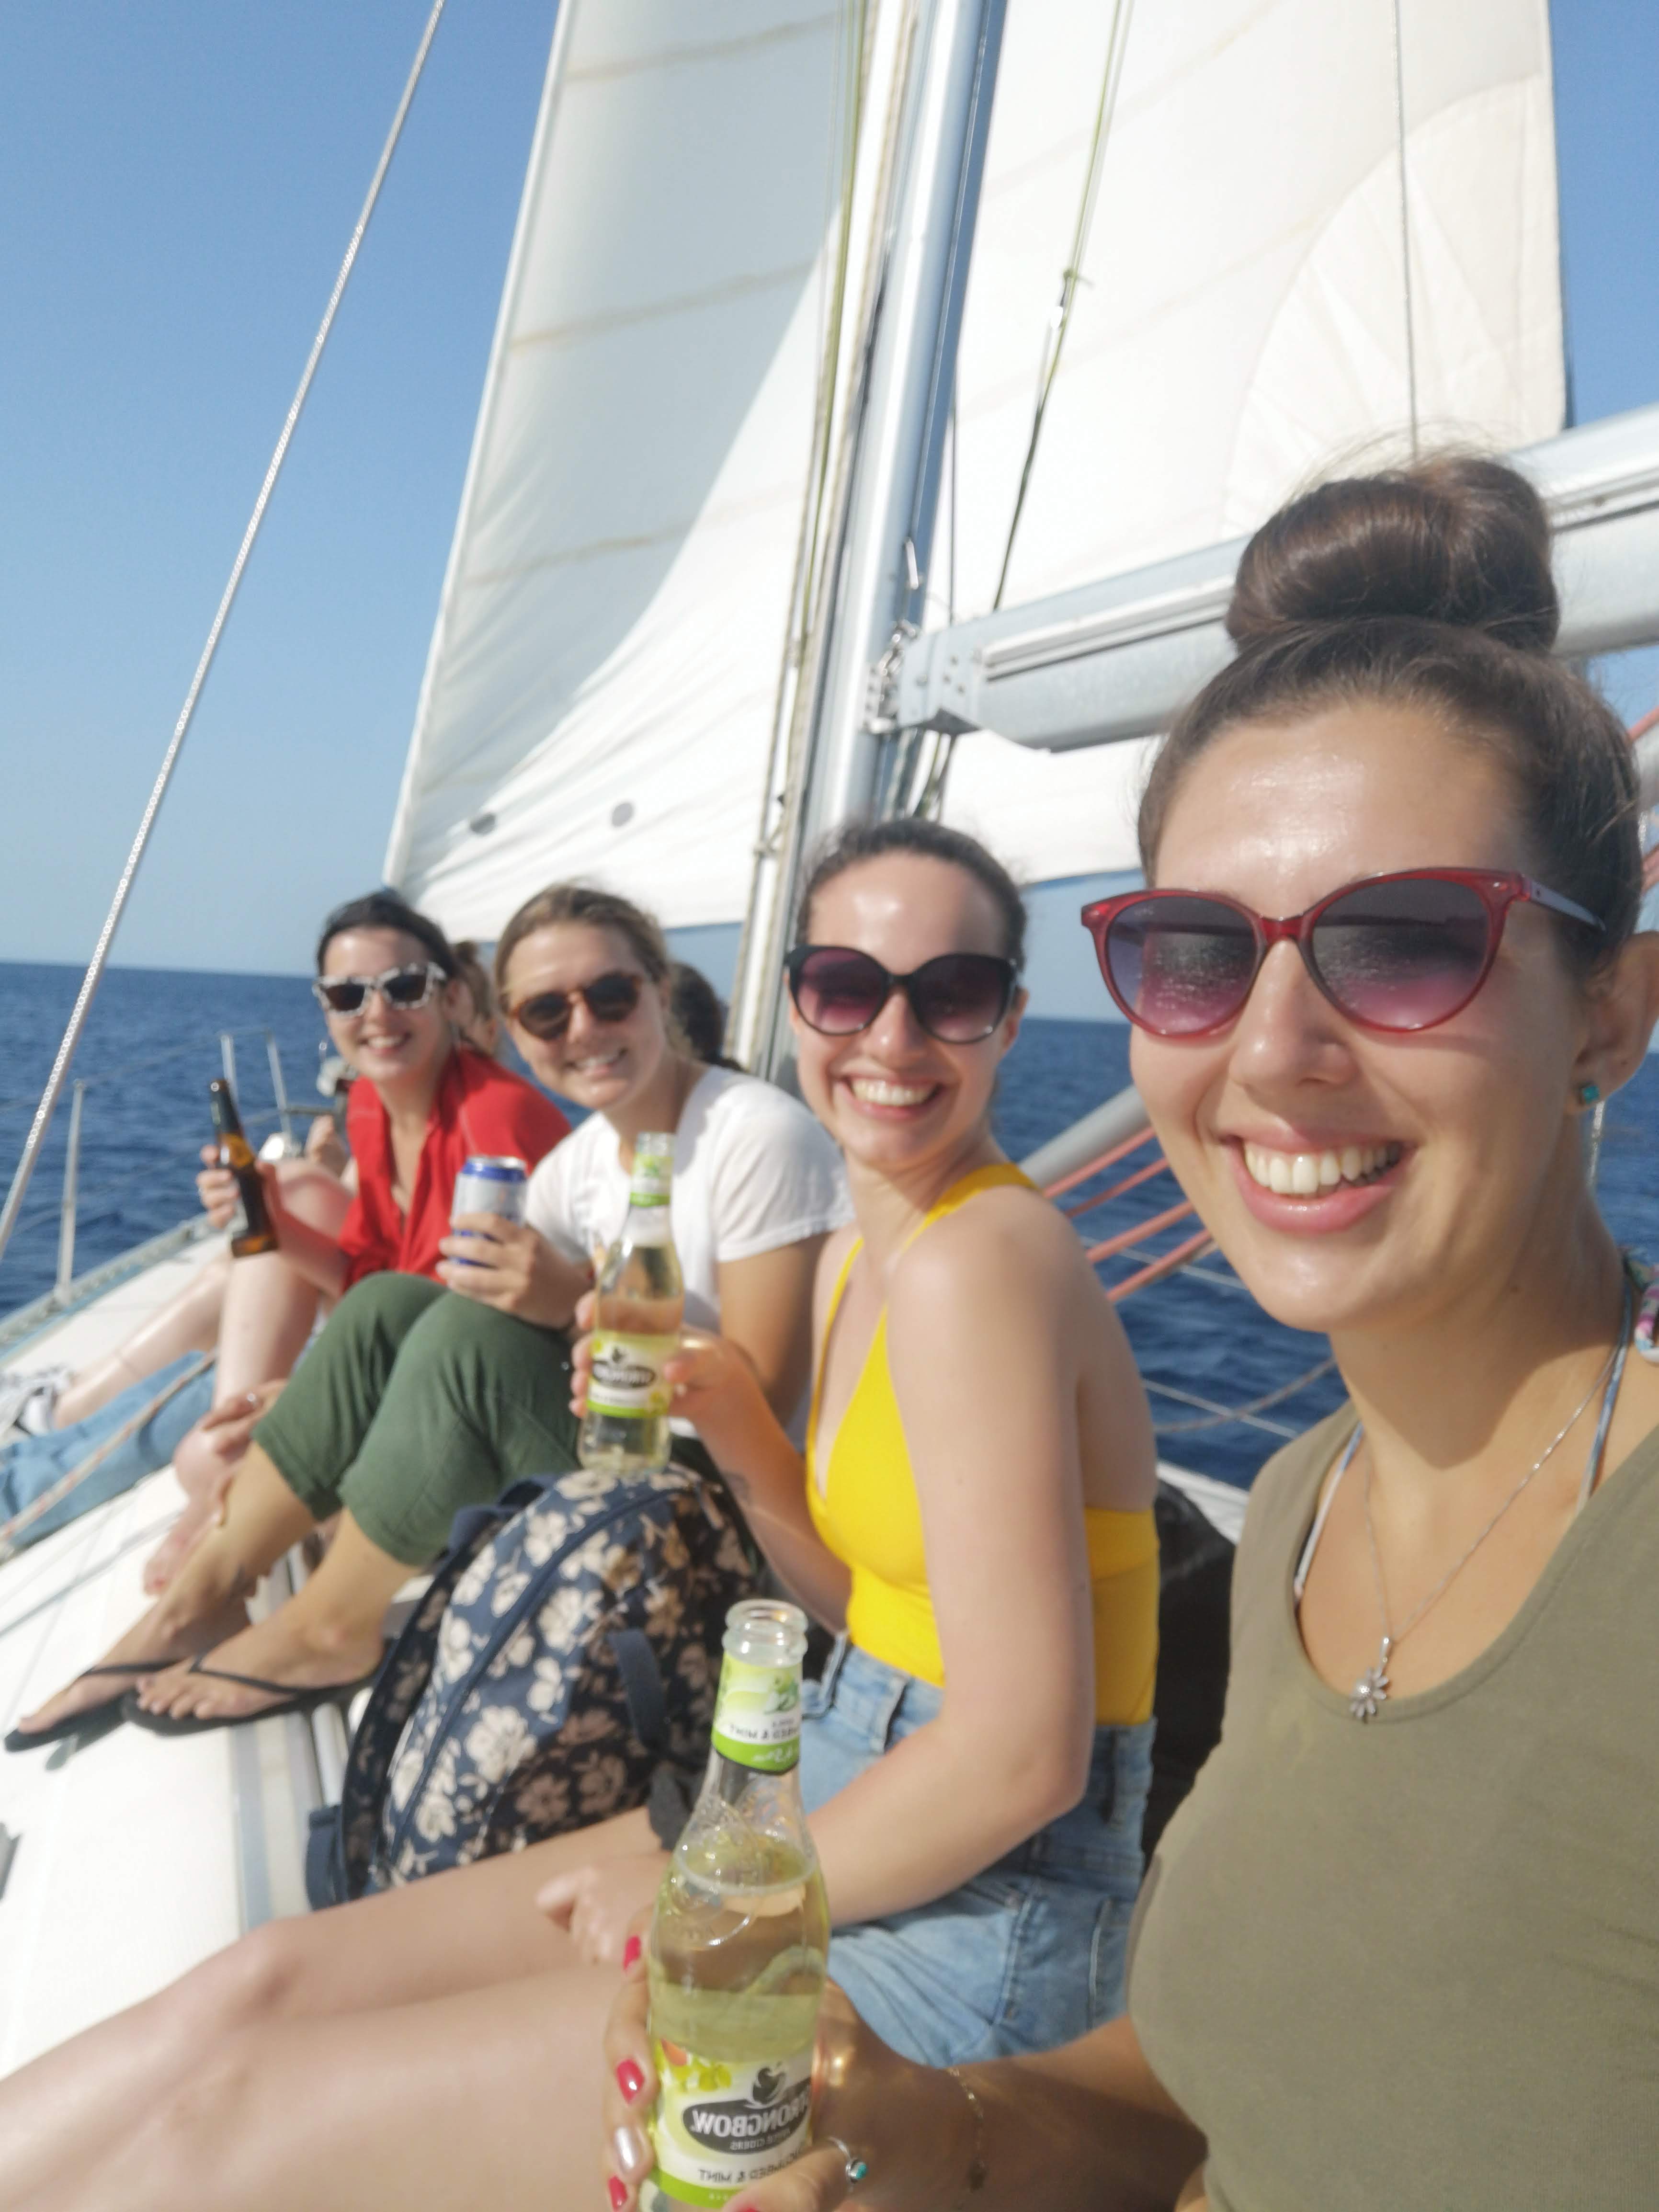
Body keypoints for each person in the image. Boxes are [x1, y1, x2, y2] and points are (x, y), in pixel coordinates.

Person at [595, 454, 1659, 2212]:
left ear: (1609, 1012)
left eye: (1405, 942)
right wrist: (926, 2129)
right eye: (1195, 952)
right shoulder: (1304, 1505)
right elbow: (1210, 2088)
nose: (1273, 1046)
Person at [0, 823, 1159, 2210]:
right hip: (837, 1787)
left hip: (981, 1910)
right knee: (253, 1987)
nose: (892, 1036)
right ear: (796, 1001)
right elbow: (866, 1609)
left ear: (1011, 1018)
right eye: (848, 986)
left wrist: (694, 1900)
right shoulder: (874, 1248)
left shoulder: (985, 1258)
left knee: (223, 2121)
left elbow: (1025, 1758)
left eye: (951, 992)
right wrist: (737, 1425)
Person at [13, 885, 845, 1743]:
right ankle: (196, 1597)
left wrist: (568, 1304)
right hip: (619, 1459)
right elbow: (419, 1308)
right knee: (386, 1305)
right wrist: (312, 1401)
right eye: (547, 1011)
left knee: (460, 1333)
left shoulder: (752, 1136)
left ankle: (329, 1628)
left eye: (611, 995)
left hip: (728, 1525)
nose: (583, 1028)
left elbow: (761, 1400)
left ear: (660, 991)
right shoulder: (582, 1164)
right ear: (512, 1025)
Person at [6, 891, 569, 1744]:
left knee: (209, 1450)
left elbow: (474, 1338)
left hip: (467, 1430)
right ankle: (168, 1574)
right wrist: (267, 1219)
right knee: (220, 1428)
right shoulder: (371, 1109)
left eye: (403, 986)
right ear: (325, 1008)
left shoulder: (498, 1120)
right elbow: (372, 1284)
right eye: (347, 995)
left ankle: (119, 1523)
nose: (375, 1012)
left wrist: (310, 1393)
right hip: (405, 1365)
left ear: (452, 995)